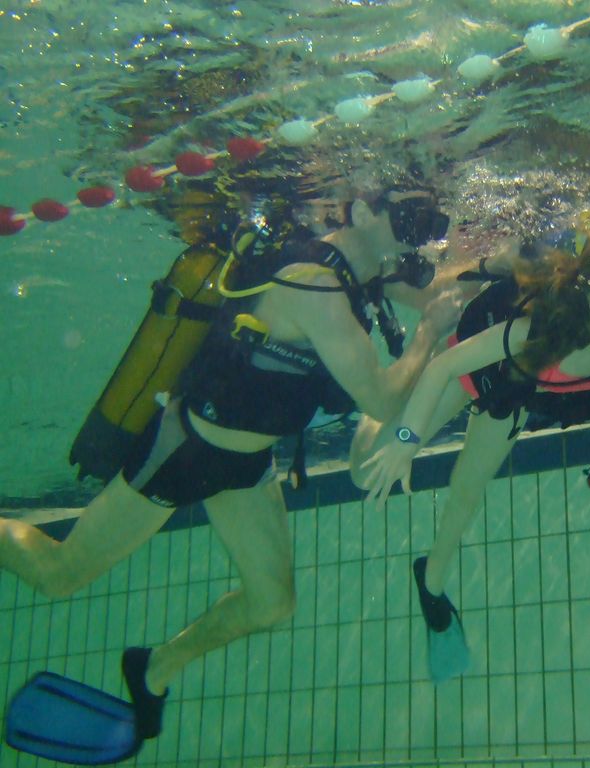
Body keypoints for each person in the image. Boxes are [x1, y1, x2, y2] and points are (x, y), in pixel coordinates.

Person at [0, 187, 459, 744]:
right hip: (184, 451)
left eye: (427, 221)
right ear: (363, 211)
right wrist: (429, 333)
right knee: (59, 575)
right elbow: (383, 401)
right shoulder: (313, 286)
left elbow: (443, 287)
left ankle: (154, 669)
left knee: (272, 602)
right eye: (409, 217)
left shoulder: (362, 274)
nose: (415, 234)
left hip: (246, 465)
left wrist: (510, 272)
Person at [355, 231, 590, 681]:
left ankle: (431, 583)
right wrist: (407, 439)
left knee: (467, 493)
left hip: (513, 395)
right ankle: (380, 405)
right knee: (363, 473)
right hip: (473, 370)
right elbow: (446, 368)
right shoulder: (540, 330)